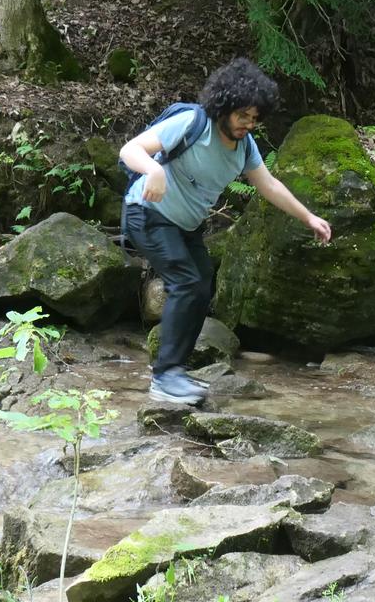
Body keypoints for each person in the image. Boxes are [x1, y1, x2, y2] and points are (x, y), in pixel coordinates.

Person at [120, 58, 332, 404]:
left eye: (255, 118)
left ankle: (175, 371)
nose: (248, 124)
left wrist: (308, 217)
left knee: (202, 284)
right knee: (186, 282)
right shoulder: (193, 123)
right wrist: (153, 171)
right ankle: (165, 377)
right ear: (224, 106)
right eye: (242, 115)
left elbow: (269, 185)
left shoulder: (245, 147)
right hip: (146, 213)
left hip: (185, 226)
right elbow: (130, 149)